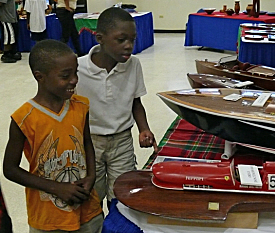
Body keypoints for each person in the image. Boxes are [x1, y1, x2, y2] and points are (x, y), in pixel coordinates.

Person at [3, 39, 103, 232]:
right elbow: (10, 169)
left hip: (87, 211)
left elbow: (87, 143)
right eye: (65, 76)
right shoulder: (24, 118)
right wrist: (57, 188)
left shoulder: (81, 106)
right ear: (40, 77)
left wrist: (91, 176)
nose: (74, 80)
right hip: (48, 218)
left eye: (76, 73)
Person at [76, 7, 158, 209]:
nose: (129, 46)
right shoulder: (77, 69)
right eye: (121, 40)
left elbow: (135, 102)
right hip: (89, 142)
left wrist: (144, 128)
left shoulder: (134, 65)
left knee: (122, 194)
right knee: (92, 196)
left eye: (132, 40)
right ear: (100, 38)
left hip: (122, 141)